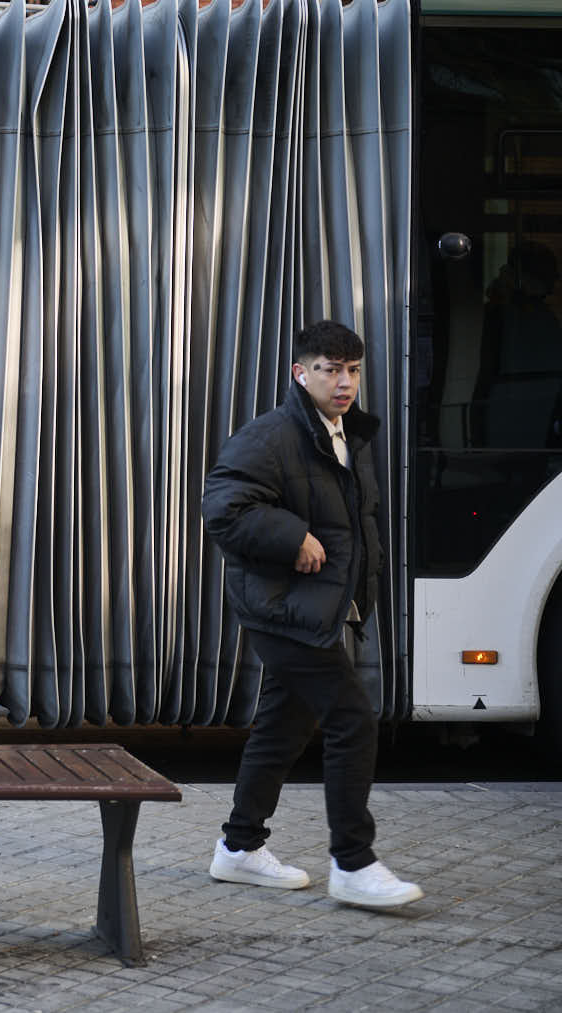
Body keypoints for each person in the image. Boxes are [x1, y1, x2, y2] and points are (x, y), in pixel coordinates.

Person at [201, 319, 423, 909]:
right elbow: (222, 509)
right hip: (283, 610)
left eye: (352, 370)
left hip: (320, 607)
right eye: (329, 369)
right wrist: (291, 535)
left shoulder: (348, 434)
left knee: (284, 726)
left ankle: (239, 848)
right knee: (353, 720)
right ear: (301, 373)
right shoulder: (273, 435)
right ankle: (353, 863)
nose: (343, 381)